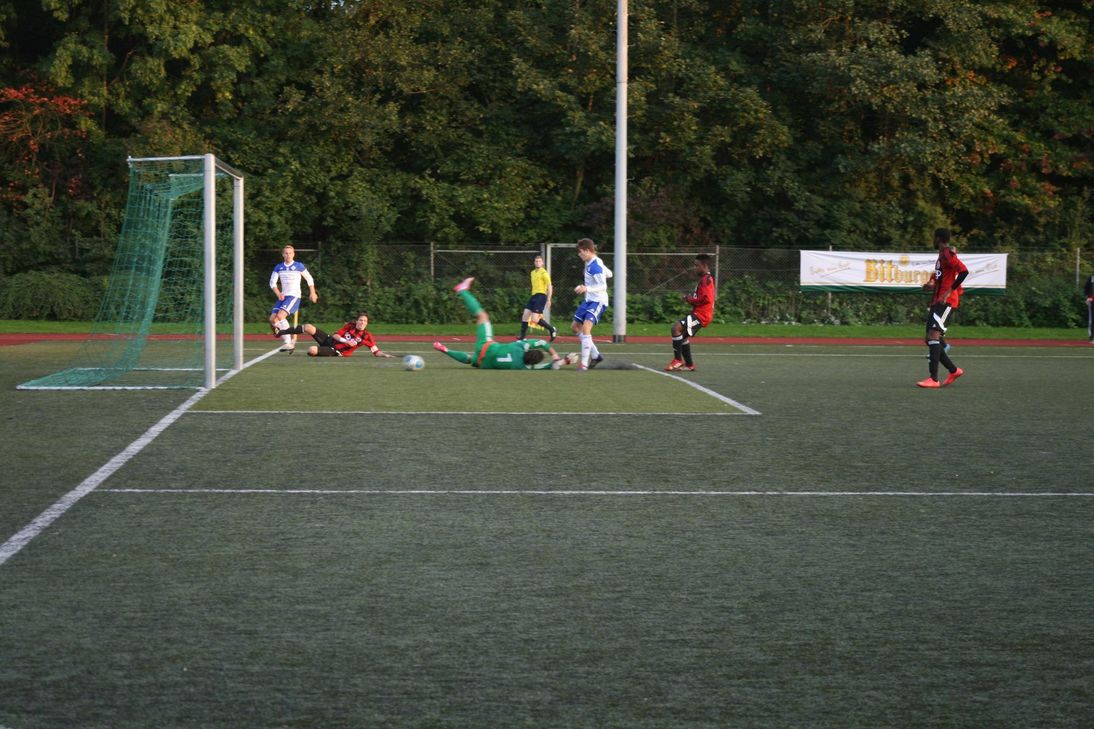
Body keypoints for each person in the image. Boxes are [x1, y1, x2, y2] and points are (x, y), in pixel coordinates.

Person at [433, 277, 568, 370]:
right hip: (483, 362)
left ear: (529, 350)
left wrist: (554, 355)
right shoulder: (522, 367)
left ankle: (462, 290)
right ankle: (445, 350)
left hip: (485, 346)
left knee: (482, 316)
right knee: (470, 359)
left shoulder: (520, 346)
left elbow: (542, 343)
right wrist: (564, 361)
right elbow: (549, 367)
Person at [917, 228, 968, 388]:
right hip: (937, 302)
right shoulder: (942, 256)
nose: (932, 240)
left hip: (946, 301)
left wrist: (949, 292)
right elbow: (941, 278)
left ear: (938, 238)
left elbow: (964, 272)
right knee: (929, 338)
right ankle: (953, 370)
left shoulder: (947, 254)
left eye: (933, 237)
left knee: (933, 335)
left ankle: (934, 379)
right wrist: (931, 285)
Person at [665, 253, 716, 372]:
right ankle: (689, 365)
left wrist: (689, 299)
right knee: (681, 336)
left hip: (701, 315)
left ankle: (677, 360)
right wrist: (690, 297)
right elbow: (701, 297)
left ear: (704, 265)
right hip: (700, 314)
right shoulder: (704, 279)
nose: (694, 268)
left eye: (696, 265)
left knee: (676, 328)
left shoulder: (707, 280)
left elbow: (706, 299)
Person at [571, 238, 612, 370]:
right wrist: (587, 286)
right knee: (576, 326)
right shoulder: (593, 262)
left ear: (588, 251)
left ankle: (583, 364)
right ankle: (595, 355)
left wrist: (586, 288)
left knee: (586, 328)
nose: (579, 254)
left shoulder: (595, 266)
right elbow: (610, 274)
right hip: (589, 300)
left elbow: (603, 286)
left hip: (598, 301)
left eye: (581, 252)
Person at [268, 245, 318, 352]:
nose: (288, 255)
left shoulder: (298, 266)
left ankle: (288, 343)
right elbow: (272, 282)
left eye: (290, 253)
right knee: (272, 320)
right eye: (286, 253)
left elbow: (309, 279)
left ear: (294, 254)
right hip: (283, 296)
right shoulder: (279, 267)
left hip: (294, 296)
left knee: (280, 316)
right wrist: (278, 293)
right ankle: (284, 336)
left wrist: (312, 292)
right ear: (283, 255)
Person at [278, 313, 393, 358]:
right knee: (308, 326)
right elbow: (336, 336)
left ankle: (319, 351)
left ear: (367, 323)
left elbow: (376, 351)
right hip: (329, 340)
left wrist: (386, 355)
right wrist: (346, 341)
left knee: (311, 350)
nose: (362, 322)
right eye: (360, 320)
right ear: (357, 321)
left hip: (336, 351)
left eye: (364, 321)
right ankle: (281, 332)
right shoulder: (349, 326)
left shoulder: (367, 336)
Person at [518, 254, 557, 341]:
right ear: (534, 263)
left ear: (542, 263)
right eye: (536, 261)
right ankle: (522, 336)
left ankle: (552, 329)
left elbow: (550, 286)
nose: (538, 263)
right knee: (525, 315)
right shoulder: (532, 273)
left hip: (541, 296)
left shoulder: (544, 273)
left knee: (535, 319)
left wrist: (549, 299)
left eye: (539, 261)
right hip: (534, 296)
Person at [1084, 270, 1094, 344]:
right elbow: (1086, 288)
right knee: (1091, 320)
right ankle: (1091, 337)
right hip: (1092, 302)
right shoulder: (1091, 278)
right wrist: (1087, 297)